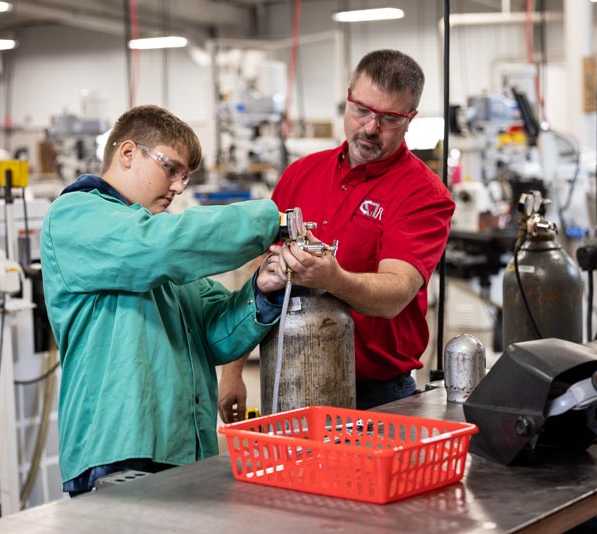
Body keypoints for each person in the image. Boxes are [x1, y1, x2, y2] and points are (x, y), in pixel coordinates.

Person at [40, 104, 289, 496]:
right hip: (118, 452)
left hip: (185, 451)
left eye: (185, 177)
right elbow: (157, 247)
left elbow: (216, 333)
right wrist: (271, 221)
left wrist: (261, 290)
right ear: (127, 153)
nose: (177, 187)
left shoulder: (163, 253)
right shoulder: (76, 216)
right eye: (170, 168)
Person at [218, 49, 455, 418]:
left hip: (379, 400)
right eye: (362, 110)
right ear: (347, 98)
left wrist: (333, 278)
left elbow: (394, 294)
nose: (370, 128)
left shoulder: (423, 194)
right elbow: (259, 275)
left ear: (410, 119)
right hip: (286, 380)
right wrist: (233, 369)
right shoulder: (301, 174)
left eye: (389, 118)